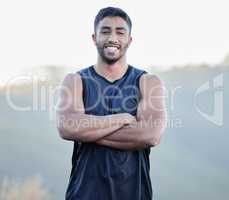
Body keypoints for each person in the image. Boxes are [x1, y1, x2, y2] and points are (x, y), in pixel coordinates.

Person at [56, 6, 167, 200]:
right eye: (105, 31)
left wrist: (87, 130)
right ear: (94, 38)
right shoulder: (75, 81)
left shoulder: (148, 82)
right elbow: (67, 127)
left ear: (129, 40)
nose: (112, 38)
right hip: (83, 194)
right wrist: (122, 119)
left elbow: (150, 135)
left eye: (120, 32)